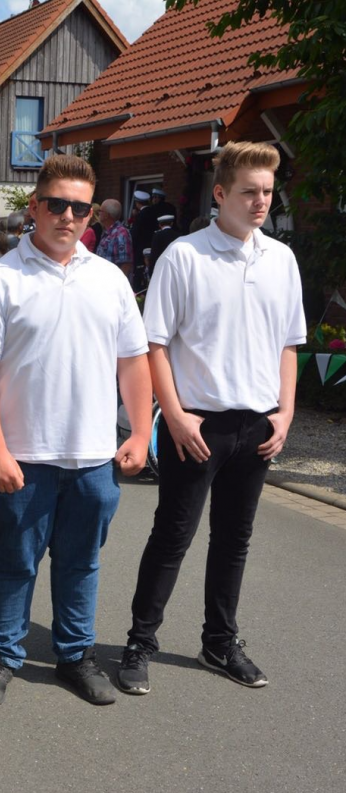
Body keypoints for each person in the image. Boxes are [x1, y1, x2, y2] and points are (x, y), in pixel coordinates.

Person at [0, 154, 152, 708]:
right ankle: (0, 655)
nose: (68, 216)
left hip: (94, 456)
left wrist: (140, 434)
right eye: (57, 204)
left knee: (81, 562)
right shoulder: (0, 280)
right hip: (23, 454)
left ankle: (74, 656)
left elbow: (134, 363)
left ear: (91, 212)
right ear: (35, 206)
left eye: (80, 207)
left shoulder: (110, 279)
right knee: (14, 560)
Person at [116, 142, 306, 695]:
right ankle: (139, 642)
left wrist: (287, 411)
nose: (260, 202)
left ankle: (220, 642)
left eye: (268, 192)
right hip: (196, 424)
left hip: (258, 426)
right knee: (172, 535)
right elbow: (155, 344)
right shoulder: (185, 255)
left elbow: (289, 345)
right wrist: (172, 416)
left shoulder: (282, 260)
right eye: (249, 191)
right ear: (221, 193)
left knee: (234, 540)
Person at [97, 198, 133, 281]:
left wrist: (117, 286)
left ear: (107, 215)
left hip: (112, 285)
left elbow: (125, 264)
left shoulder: (121, 233)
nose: (98, 213)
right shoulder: (108, 232)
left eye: (100, 211)